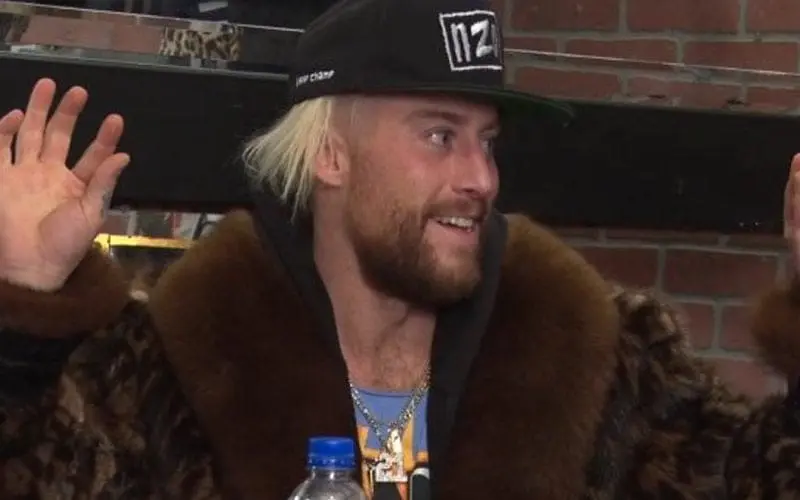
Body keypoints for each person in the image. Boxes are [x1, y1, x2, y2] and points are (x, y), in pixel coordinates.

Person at [1, 0, 800, 498]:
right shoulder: (172, 364)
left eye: (487, 141)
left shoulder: (599, 356)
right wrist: (22, 323)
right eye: (440, 136)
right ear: (332, 156)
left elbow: (754, 479)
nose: (481, 177)